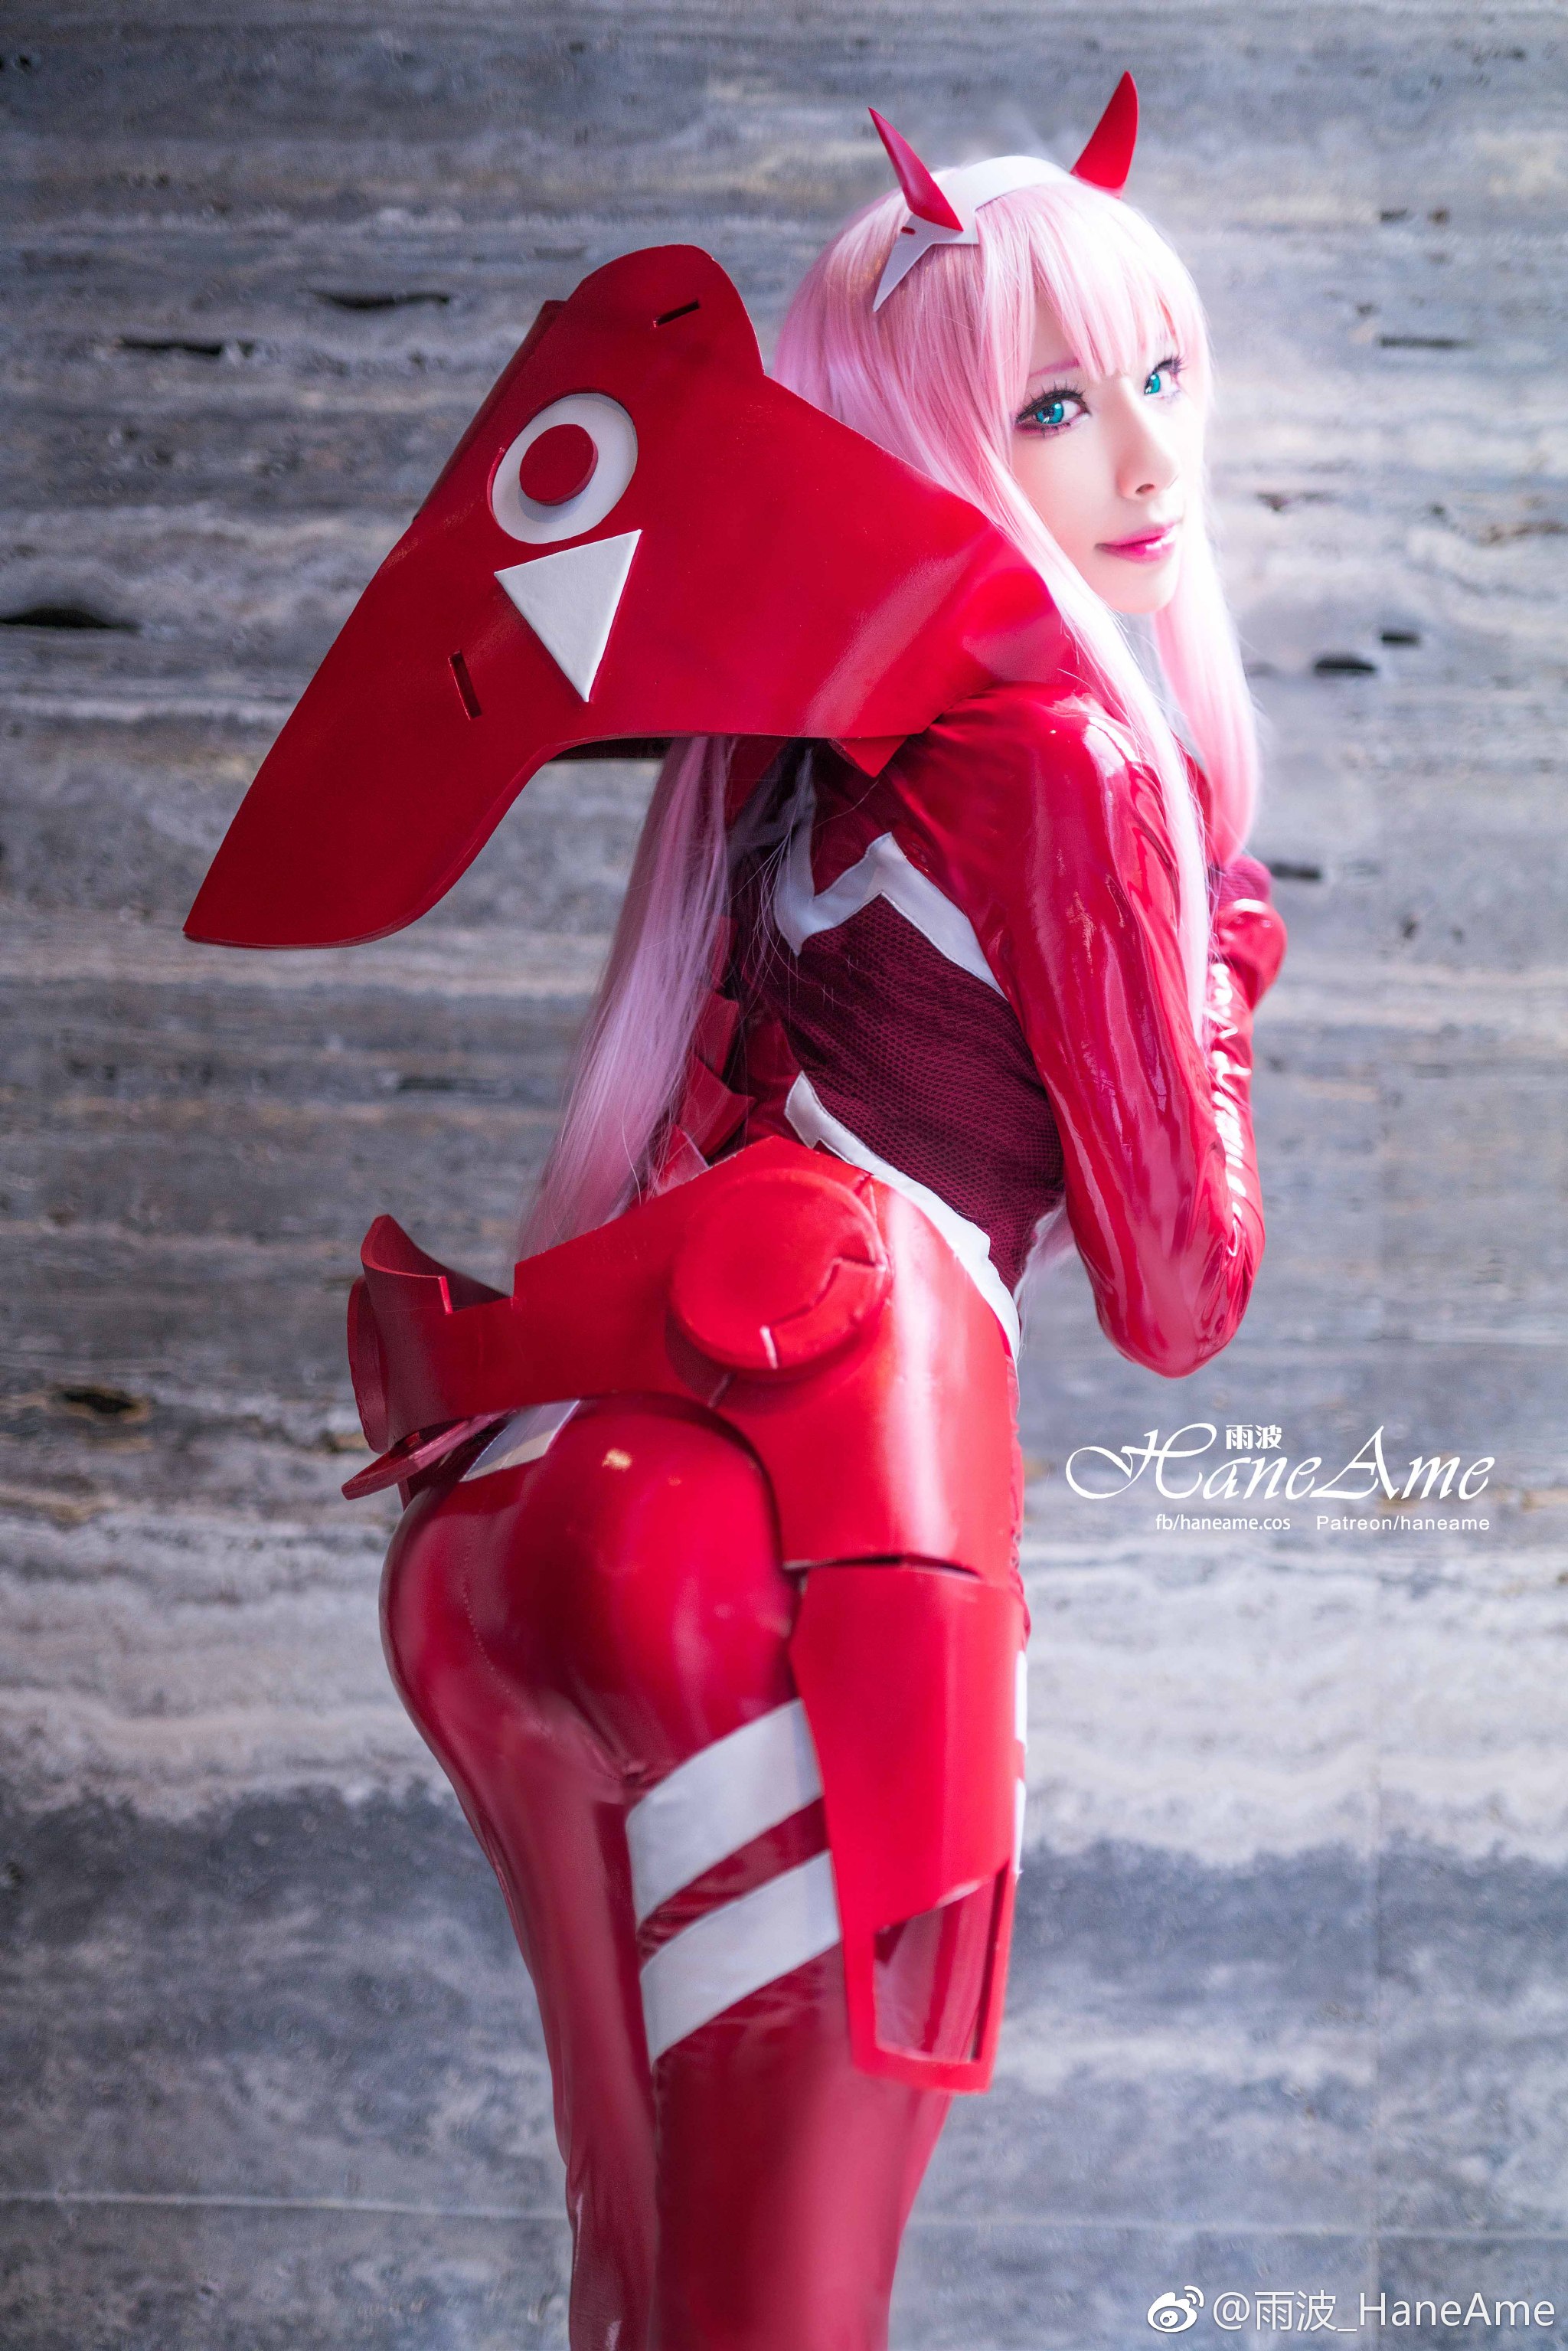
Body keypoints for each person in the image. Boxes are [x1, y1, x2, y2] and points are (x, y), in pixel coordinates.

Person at [189, 74, 1286, 2351]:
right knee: (775, 2317)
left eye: (1161, 375)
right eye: (1055, 405)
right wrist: (1214, 972)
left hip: (520, 1524)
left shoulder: (779, 739)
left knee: (638, 2295)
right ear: (921, 430)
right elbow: (1185, 1289)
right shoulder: (1069, 755)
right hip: (802, 1549)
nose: (1145, 460)